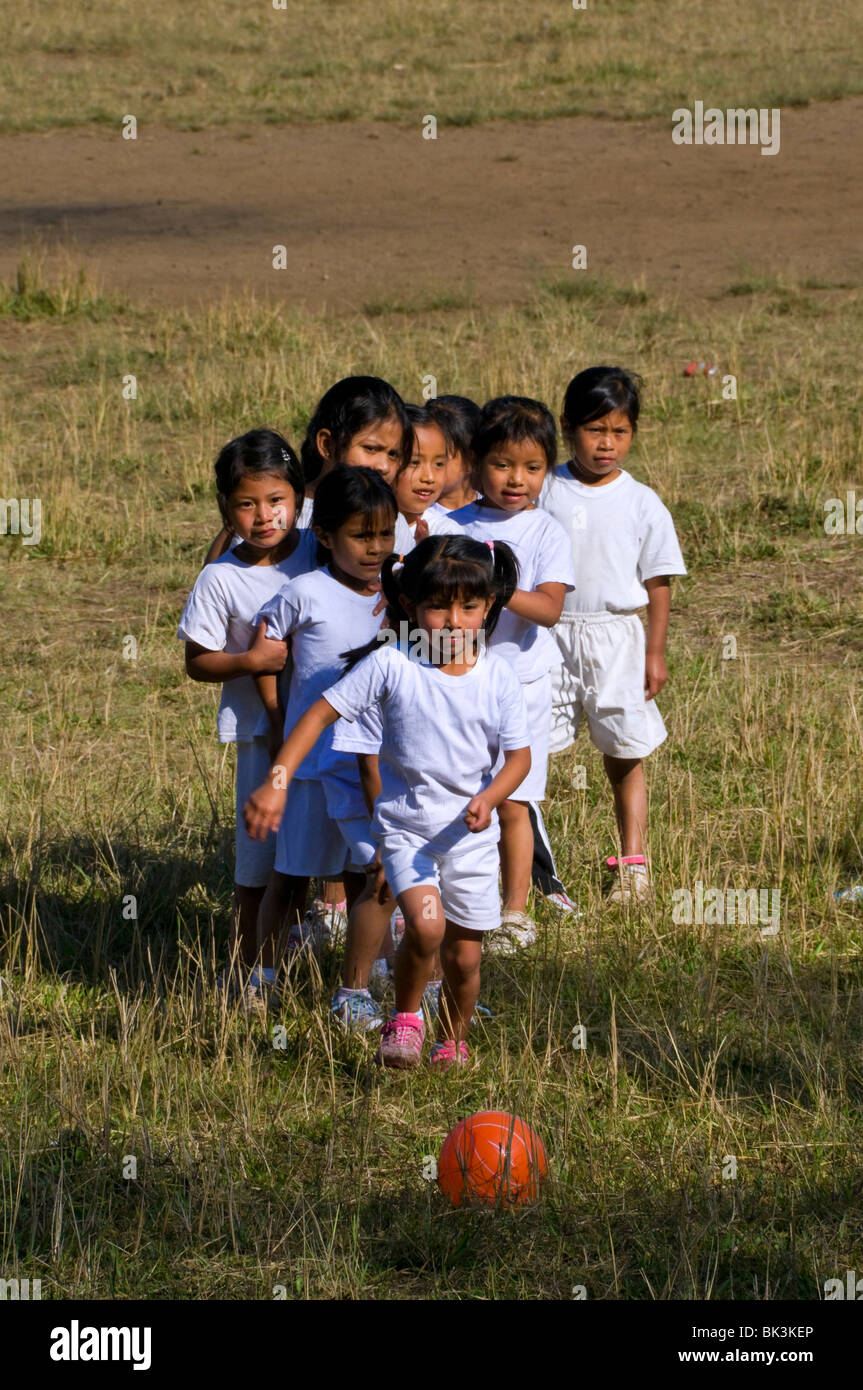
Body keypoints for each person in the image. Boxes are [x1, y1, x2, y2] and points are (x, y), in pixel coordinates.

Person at [244, 535, 531, 1070]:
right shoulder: (392, 663)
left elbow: (519, 758)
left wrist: (490, 798)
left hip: (469, 839)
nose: (452, 620)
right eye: (437, 606)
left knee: (465, 958)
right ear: (409, 605)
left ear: (488, 606)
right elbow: (318, 715)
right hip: (407, 834)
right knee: (425, 926)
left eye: (468, 607)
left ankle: (452, 1042)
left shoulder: (498, 677)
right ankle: (405, 1021)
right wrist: (278, 777)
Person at [177, 430, 317, 1006]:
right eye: (246, 503)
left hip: (327, 728)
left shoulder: (319, 548)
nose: (264, 516)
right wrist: (250, 660)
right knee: (258, 859)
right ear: (224, 509)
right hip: (262, 738)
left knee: (312, 845)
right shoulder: (220, 578)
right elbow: (196, 660)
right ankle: (249, 973)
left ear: (301, 498)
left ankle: (303, 944)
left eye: (276, 500)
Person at [541, 366, 686, 904]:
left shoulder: (642, 501)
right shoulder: (544, 487)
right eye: (594, 429)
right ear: (567, 426)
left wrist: (655, 651)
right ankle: (529, 867)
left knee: (625, 752)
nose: (606, 444)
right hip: (547, 636)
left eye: (619, 432)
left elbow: (659, 581)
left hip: (617, 640)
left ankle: (633, 865)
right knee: (526, 751)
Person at [249, 465, 397, 985]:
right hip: (310, 765)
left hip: (370, 767)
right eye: (361, 535)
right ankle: (262, 979)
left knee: (371, 876)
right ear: (326, 536)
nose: (375, 547)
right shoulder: (303, 592)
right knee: (290, 878)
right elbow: (266, 656)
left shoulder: (399, 593)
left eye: (385, 532)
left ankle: (369, 974)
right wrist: (275, 719)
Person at [447, 396, 576, 950]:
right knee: (457, 789)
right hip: (455, 680)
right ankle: (455, 899)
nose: (516, 479)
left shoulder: (546, 530)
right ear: (474, 463)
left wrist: (496, 590)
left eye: (532, 467)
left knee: (515, 800)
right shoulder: (450, 525)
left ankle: (516, 910)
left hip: (521, 683)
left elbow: (549, 608)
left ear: (548, 469)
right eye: (502, 465)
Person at [203, 375, 413, 562]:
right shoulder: (279, 509)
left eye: (393, 454)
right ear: (327, 445)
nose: (384, 466)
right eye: (370, 449)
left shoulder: (393, 522)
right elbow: (220, 577)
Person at [425, 395, 481, 513]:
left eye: (438, 462)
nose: (426, 473)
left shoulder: (497, 510)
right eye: (415, 461)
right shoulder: (414, 514)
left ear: (471, 461)